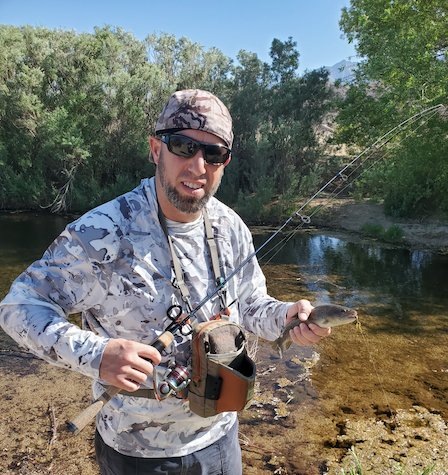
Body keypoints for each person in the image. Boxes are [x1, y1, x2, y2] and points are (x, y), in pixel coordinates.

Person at [0, 89, 331, 475]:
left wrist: (289, 317)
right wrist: (96, 355)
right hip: (136, 452)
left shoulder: (231, 226)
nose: (198, 166)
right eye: (183, 146)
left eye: (213, 154)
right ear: (157, 149)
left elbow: (252, 306)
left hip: (221, 437)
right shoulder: (103, 231)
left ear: (225, 162)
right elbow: (19, 306)